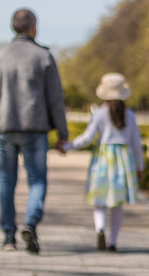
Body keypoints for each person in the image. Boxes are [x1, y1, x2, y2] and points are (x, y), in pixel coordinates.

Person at [0, 8, 67, 253]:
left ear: (12, 27)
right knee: (37, 180)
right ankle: (30, 223)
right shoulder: (44, 57)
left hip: (4, 128)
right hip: (35, 129)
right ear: (33, 28)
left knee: (6, 183)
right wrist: (63, 134)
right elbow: (55, 100)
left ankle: (8, 237)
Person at [60, 73, 143, 252]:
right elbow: (137, 143)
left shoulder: (99, 114)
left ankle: (100, 229)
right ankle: (113, 242)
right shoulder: (129, 115)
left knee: (100, 200)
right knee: (117, 203)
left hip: (103, 160)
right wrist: (140, 167)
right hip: (123, 160)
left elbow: (87, 138)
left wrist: (67, 147)